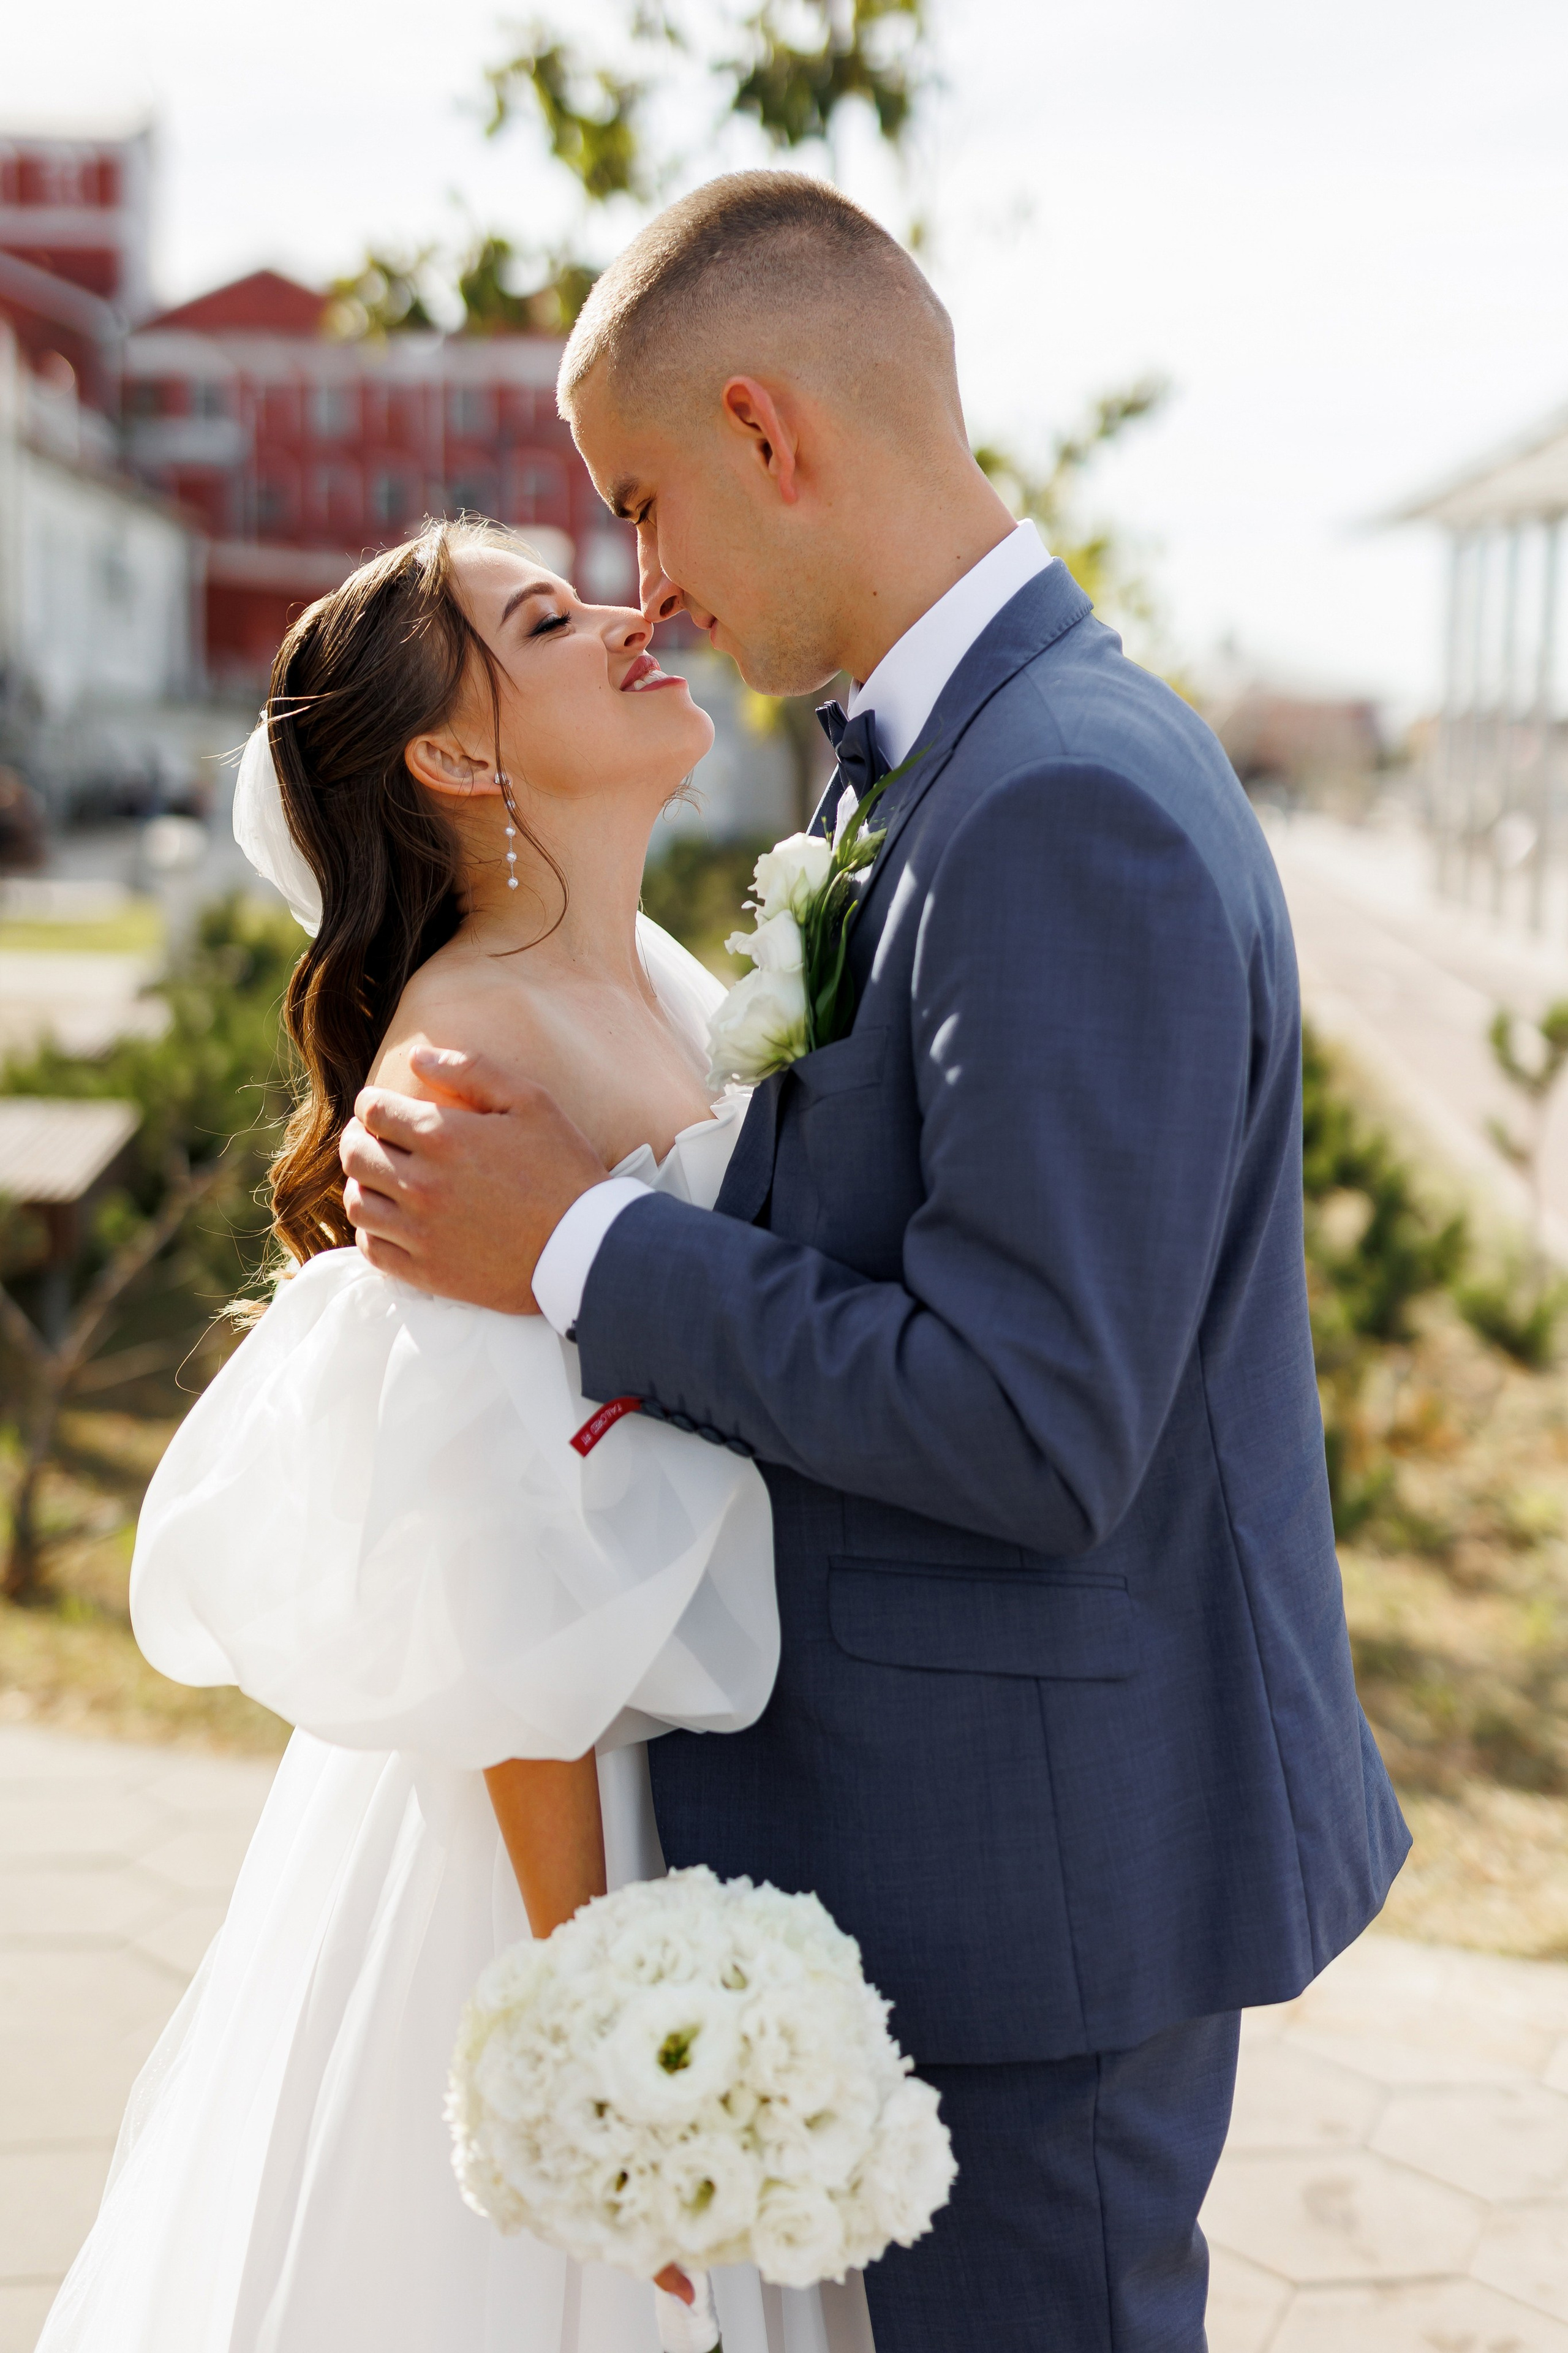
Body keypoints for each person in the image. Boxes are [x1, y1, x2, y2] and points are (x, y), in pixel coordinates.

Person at [339, 173, 1411, 2351]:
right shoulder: (956, 772)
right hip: (965, 1876)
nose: (656, 592)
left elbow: (1035, 1418)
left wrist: (580, 1243)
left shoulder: (1053, 805)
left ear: (770, 429)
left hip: (1037, 1912)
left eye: (647, 505)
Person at [36, 516, 873, 2353]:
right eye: (549, 617)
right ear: (456, 755)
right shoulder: (464, 1064)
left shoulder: (642, 977)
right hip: (555, 1854)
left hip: (721, 1786)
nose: (637, 614)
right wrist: (599, 2046)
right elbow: (497, 1602)